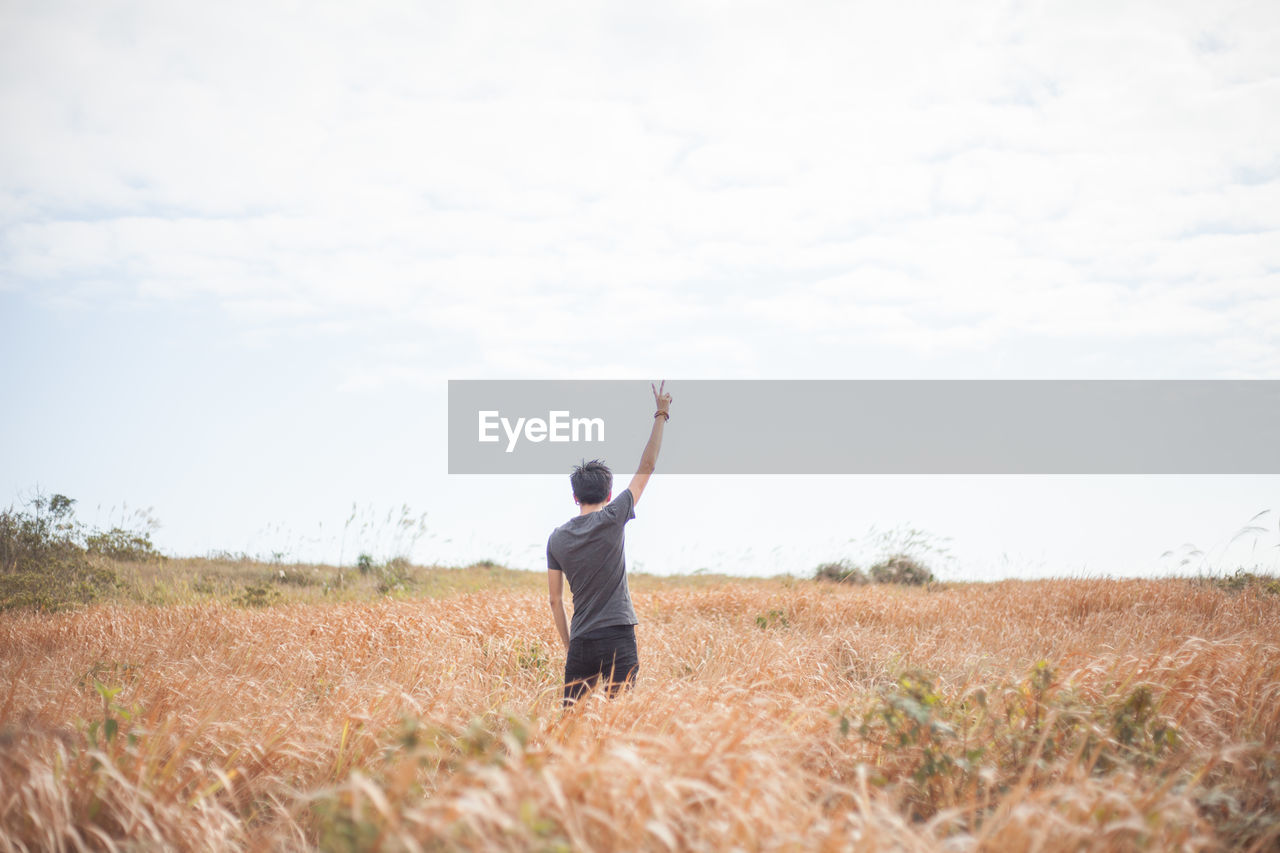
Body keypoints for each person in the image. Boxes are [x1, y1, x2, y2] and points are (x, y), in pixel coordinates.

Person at [547, 381, 672, 707]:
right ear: (608, 494)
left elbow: (554, 601)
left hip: (582, 639)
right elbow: (647, 466)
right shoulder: (614, 515)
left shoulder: (557, 538)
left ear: (574, 496)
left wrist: (569, 644)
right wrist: (661, 414)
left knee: (569, 727)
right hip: (618, 635)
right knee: (618, 724)